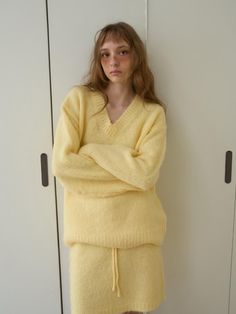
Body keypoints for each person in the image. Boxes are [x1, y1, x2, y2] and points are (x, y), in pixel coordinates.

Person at [52, 21, 167, 314]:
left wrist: (90, 152)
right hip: (89, 244)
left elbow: (145, 175)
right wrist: (126, 168)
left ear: (136, 56)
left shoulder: (152, 114)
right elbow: (64, 165)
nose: (113, 61)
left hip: (139, 241)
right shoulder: (78, 101)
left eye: (122, 51)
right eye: (105, 54)